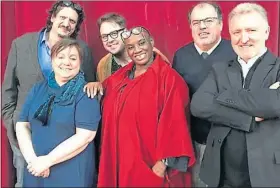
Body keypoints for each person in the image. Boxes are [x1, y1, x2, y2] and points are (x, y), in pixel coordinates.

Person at [191, 3, 280, 187]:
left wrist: (225, 96)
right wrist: (248, 119)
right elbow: (199, 105)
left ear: (266, 32)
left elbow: (279, 104)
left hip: (269, 174)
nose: (244, 38)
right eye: (237, 32)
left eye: (251, 30)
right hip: (222, 175)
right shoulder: (219, 70)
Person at [1, 1, 95, 187]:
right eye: (62, 17)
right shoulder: (21, 44)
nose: (66, 23)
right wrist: (12, 124)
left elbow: (88, 84)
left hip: (68, 145)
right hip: (26, 139)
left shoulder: (83, 50)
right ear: (52, 17)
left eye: (72, 21)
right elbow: (8, 90)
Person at [97, 26, 195, 187]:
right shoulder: (119, 78)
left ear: (151, 42)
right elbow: (103, 92)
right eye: (130, 47)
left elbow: (176, 125)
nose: (137, 50)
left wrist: (163, 164)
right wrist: (95, 85)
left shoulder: (169, 79)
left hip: (150, 166)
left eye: (141, 43)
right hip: (121, 163)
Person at [15, 38, 101, 187]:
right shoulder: (38, 89)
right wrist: (33, 161)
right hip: (36, 170)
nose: (66, 62)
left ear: (80, 62)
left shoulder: (86, 92)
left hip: (71, 173)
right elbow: (22, 125)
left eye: (73, 58)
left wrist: (47, 161)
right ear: (52, 59)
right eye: (60, 57)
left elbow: (85, 136)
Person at [172, 2, 236, 187]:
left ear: (221, 24)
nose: (202, 26)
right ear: (190, 26)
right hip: (196, 142)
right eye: (196, 22)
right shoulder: (181, 56)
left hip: (230, 140)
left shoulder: (235, 51)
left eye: (208, 20)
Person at [84, 13, 169, 97]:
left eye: (114, 34)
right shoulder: (103, 65)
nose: (109, 40)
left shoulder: (150, 54)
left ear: (125, 33)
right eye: (104, 36)